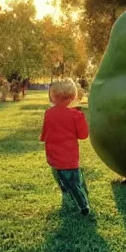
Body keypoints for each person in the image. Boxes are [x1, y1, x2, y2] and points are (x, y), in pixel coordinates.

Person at [40, 78, 91, 215]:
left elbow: (45, 133)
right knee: (74, 182)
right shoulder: (76, 115)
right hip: (70, 157)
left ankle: (75, 200)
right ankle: (82, 203)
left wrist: (43, 138)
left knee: (61, 178)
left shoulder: (49, 113)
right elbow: (83, 135)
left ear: (52, 96)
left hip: (53, 156)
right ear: (72, 97)